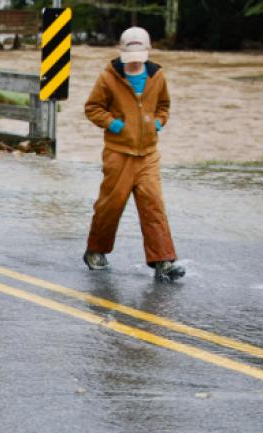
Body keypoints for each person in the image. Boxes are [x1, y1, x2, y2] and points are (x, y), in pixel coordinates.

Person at [83, 27, 184, 281]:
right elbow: (93, 108)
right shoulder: (108, 77)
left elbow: (164, 106)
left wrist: (158, 123)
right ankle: (95, 251)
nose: (136, 60)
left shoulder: (157, 76)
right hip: (118, 153)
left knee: (154, 206)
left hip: (149, 153)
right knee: (110, 206)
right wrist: (115, 124)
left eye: (140, 54)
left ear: (148, 51)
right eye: (131, 55)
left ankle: (163, 261)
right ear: (122, 52)